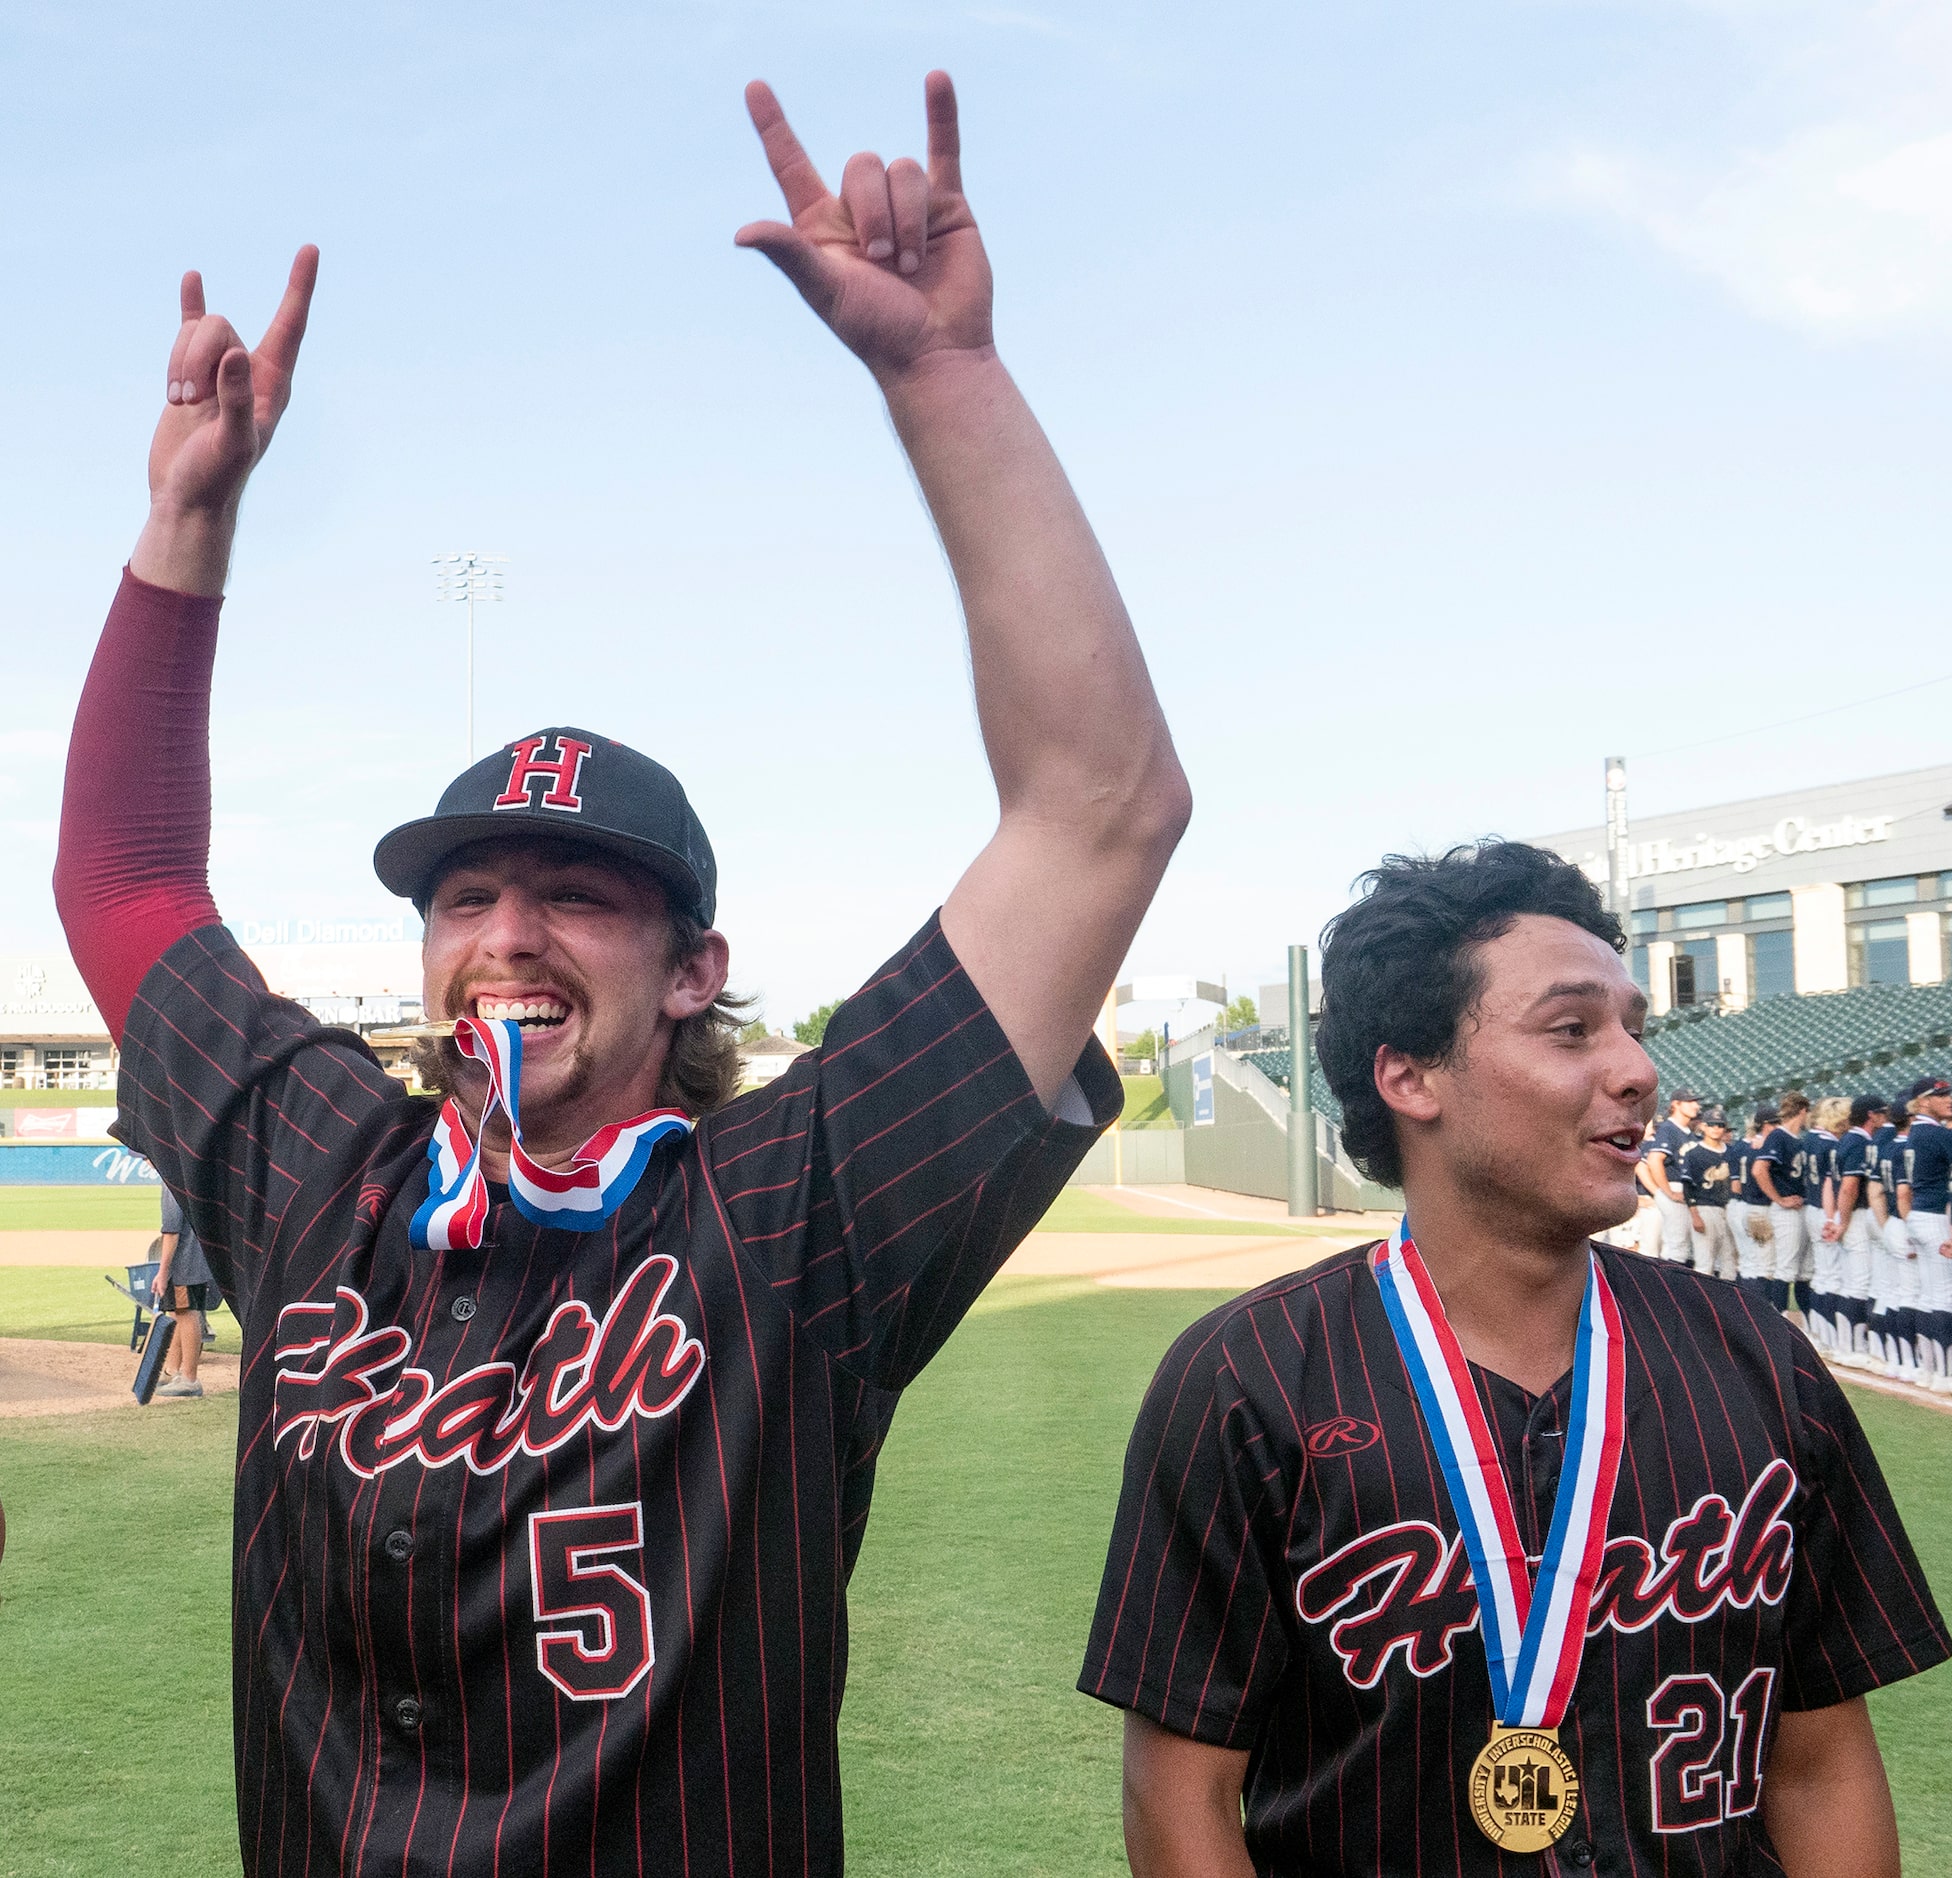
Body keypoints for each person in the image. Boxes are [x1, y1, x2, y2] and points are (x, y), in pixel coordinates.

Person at [55, 74, 1190, 1876]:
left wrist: (944, 382)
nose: (506, 933)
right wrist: (187, 521)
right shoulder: (315, 1169)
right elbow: (122, 881)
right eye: (469, 893)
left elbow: (1102, 806)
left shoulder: (796, 1212)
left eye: (577, 896)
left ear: (692, 971)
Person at [1082, 842, 1948, 1878]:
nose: (1634, 1068)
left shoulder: (1762, 1359)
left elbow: (1819, 1765)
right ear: (1408, 1075)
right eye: (1572, 1029)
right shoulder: (1246, 1378)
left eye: (1634, 1027)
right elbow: (1181, 1798)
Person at [1897, 1075, 1952, 1394]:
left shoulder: (1914, 1133)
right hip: (1936, 1215)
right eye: (1941, 1095)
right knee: (1944, 1296)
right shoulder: (1937, 1134)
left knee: (1926, 1295)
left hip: (1918, 1214)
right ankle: (1946, 1372)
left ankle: (1928, 1368)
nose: (1949, 1099)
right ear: (1923, 1102)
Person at [1827, 1094, 1888, 1371]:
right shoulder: (1858, 1141)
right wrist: (1843, 1221)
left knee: (1851, 1281)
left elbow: (1834, 1183)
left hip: (1850, 1215)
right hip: (1857, 1216)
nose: (1884, 1117)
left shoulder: (1846, 1140)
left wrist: (1837, 1218)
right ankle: (1851, 1347)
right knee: (1859, 1283)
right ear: (1871, 1116)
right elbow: (1849, 1186)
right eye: (1881, 1113)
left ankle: (1845, 1345)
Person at [148, 1184, 215, 1398]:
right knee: (177, 1313)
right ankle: (172, 1371)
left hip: (184, 1265)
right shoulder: (185, 1178)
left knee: (187, 1314)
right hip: (196, 1260)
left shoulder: (171, 1184)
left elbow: (171, 1232)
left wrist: (163, 1271)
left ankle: (189, 1379)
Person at [1751, 1091, 1811, 1319]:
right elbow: (1759, 1169)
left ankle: (1807, 1325)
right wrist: (1779, 1198)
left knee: (1805, 1269)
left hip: (1802, 1206)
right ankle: (1779, 1321)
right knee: (1786, 1266)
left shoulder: (1801, 1139)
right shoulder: (1779, 1136)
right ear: (1803, 1110)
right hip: (1787, 1209)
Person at [1871, 1099, 1919, 1382]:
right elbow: (1904, 1194)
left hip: (1890, 1222)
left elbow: (1875, 1191)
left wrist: (1885, 1225)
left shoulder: (1887, 1147)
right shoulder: (1906, 1148)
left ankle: (1895, 1357)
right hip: (1904, 1220)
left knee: (1892, 1292)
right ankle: (1909, 1362)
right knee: (1910, 1295)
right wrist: (1906, 1227)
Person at [1799, 1096, 1845, 1354]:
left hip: (1811, 1206)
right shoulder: (1829, 1143)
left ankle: (1818, 1331)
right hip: (1827, 1208)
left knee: (1822, 1274)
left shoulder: (1810, 1139)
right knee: (1831, 1275)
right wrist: (1832, 1217)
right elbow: (1831, 1182)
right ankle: (1830, 1336)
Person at [1639, 1086, 1701, 1265]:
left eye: (1696, 1101)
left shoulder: (1688, 1133)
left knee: (1684, 1247)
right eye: (1690, 1102)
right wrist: (1666, 1192)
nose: (1696, 1106)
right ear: (1676, 1104)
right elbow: (1654, 1159)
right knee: (1677, 1245)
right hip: (1674, 1185)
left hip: (1686, 1189)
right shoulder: (1668, 1128)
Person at [1678, 1104, 1735, 1278]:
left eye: (1720, 1125)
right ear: (1703, 1126)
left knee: (1730, 1260)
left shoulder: (1732, 1152)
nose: (1716, 1128)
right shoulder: (1694, 1153)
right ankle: (1702, 1303)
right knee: (1705, 1261)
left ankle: (1729, 1302)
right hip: (1705, 1207)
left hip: (1730, 1207)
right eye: (1711, 1124)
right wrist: (1695, 1215)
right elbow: (1688, 1187)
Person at [1728, 1105, 1774, 1286]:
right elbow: (1737, 1185)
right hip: (1754, 1205)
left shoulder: (1739, 1146)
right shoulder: (1761, 1147)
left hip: (1738, 1205)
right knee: (1762, 1265)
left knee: (1748, 1263)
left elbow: (1736, 1185)